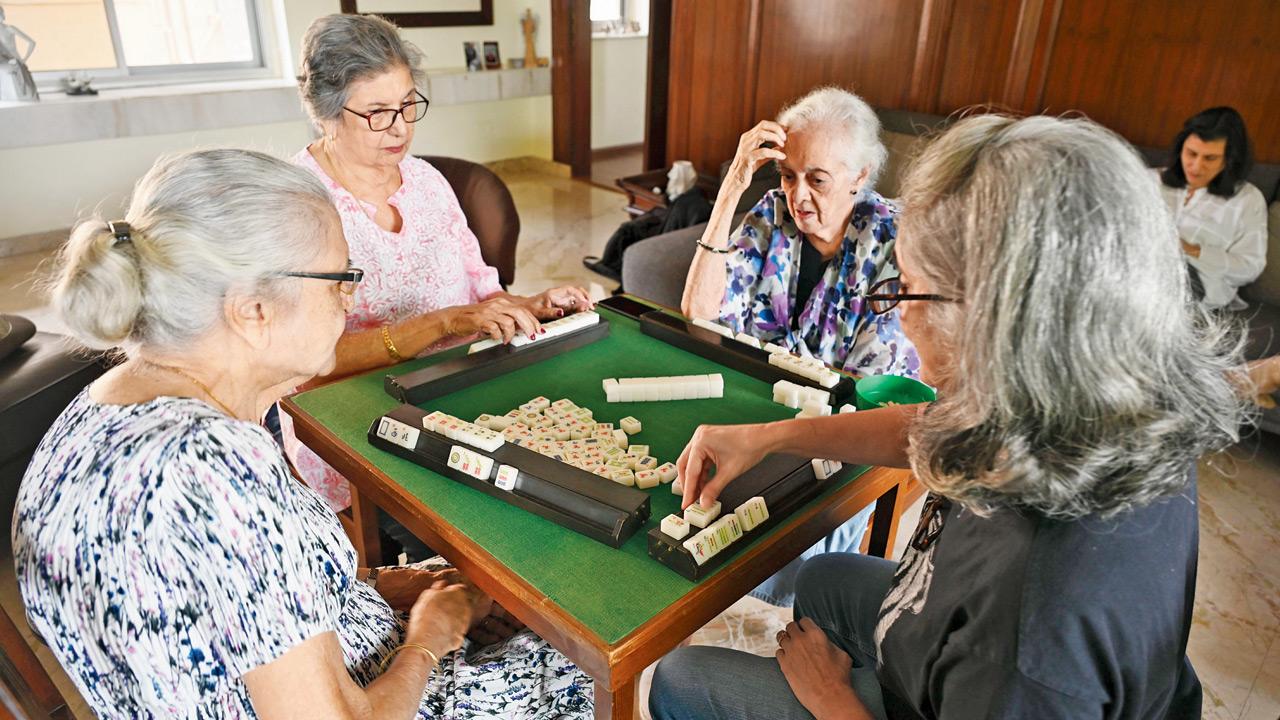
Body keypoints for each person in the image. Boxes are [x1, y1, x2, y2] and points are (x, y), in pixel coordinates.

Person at [650, 115, 1249, 719]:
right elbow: (930, 429)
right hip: (937, 634)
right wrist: (772, 435)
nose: (901, 324)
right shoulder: (1086, 393)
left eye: (907, 291)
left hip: (957, 686)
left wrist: (833, 699)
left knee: (679, 678)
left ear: (998, 323)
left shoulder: (1029, 645)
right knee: (820, 581)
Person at [12, 148, 593, 719]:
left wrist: (377, 586)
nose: (352, 297)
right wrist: (428, 640)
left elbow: (236, 597)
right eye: (340, 279)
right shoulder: (217, 468)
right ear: (253, 310)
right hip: (383, 696)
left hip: (337, 657)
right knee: (582, 657)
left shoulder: (94, 405)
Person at [281, 13, 592, 525]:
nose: (401, 127)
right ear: (327, 114)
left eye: (408, 104)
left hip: (461, 394)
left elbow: (482, 293)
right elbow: (307, 361)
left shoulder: (426, 181)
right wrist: (442, 322)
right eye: (378, 112)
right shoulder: (297, 203)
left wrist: (529, 306)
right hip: (361, 421)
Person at [682, 87, 920, 606]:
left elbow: (863, 395)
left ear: (859, 177)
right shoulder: (771, 216)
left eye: (817, 179)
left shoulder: (899, 244)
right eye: (788, 175)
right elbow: (699, 316)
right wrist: (731, 191)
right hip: (758, 410)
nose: (798, 195)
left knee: (788, 577)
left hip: (843, 436)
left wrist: (769, 436)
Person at [1156, 106, 1267, 309]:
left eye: (1210, 158)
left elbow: (1249, 268)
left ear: (1229, 160)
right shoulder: (1149, 180)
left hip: (1194, 285)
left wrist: (1192, 250)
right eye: (1191, 153)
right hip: (1138, 268)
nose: (1196, 166)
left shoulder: (1247, 199)